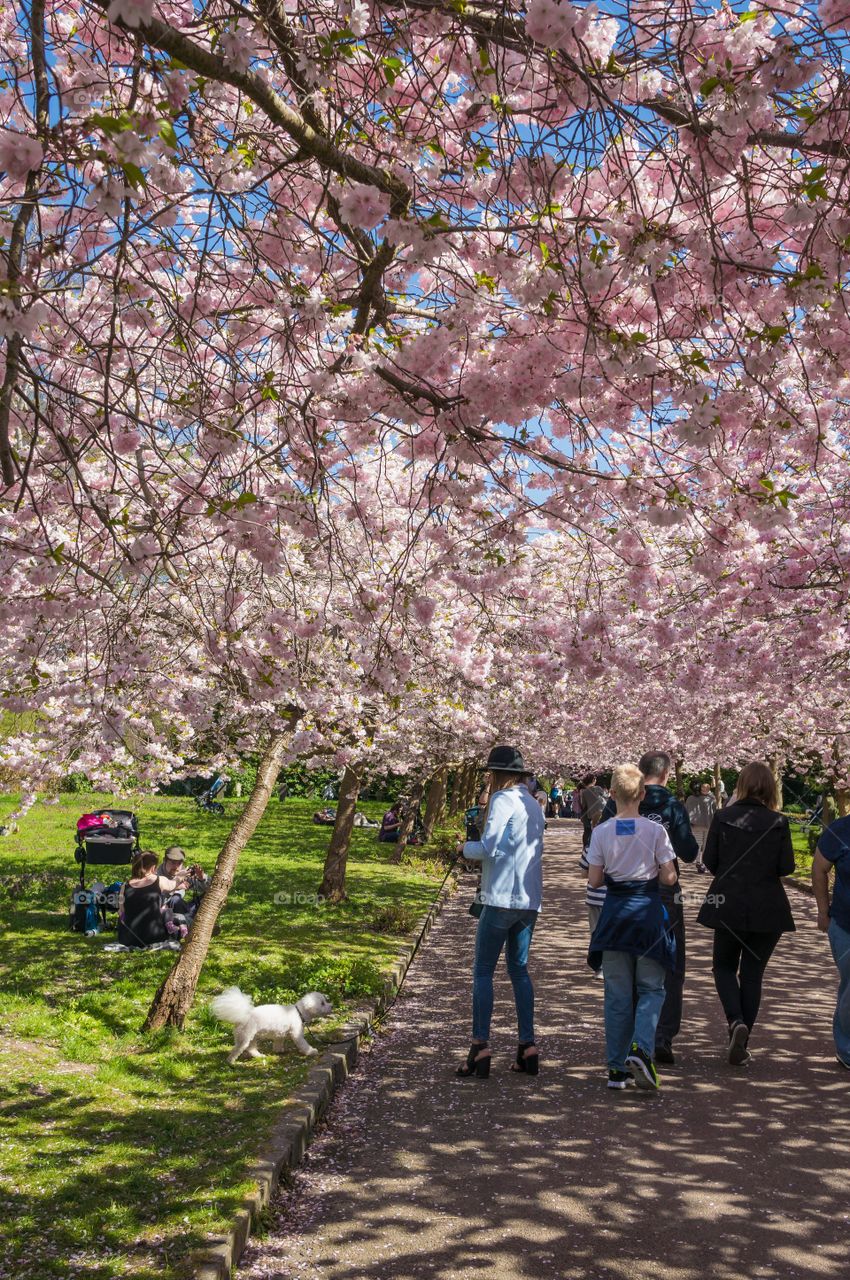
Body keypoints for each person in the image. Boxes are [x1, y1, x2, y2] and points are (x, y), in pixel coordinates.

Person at [598, 751, 698, 1064]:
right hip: (661, 898)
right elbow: (689, 852)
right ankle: (660, 1037)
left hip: (619, 900)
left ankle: (627, 1046)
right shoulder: (672, 807)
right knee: (668, 966)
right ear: (666, 774)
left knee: (623, 974)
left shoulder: (612, 810)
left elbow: (596, 861)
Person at [697, 761, 795, 1065]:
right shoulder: (779, 821)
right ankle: (742, 1035)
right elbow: (787, 867)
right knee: (753, 975)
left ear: (741, 784)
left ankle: (735, 1020)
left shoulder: (723, 817)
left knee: (723, 967)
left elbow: (710, 861)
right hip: (768, 907)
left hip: (728, 903)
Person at [587, 764, 678, 1090]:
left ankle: (616, 1069)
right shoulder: (656, 832)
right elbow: (670, 877)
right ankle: (641, 1048)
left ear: (611, 793)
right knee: (652, 989)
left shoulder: (601, 832)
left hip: (614, 917)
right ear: (642, 794)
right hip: (648, 916)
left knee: (617, 995)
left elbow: (595, 880)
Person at [457, 744, 545, 1079]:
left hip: (499, 898)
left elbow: (489, 847)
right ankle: (527, 1045)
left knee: (482, 971)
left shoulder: (502, 799)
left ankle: (480, 1045)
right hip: (529, 900)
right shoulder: (533, 805)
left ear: (496, 775)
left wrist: (463, 848)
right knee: (519, 971)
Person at [812, 811, 850, 1069]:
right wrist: (823, 910)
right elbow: (819, 868)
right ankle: (847, 1048)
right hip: (845, 925)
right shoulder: (842, 829)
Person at [117, 851, 181, 948]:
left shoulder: (124, 886)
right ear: (153, 867)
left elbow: (121, 912)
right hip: (154, 937)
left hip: (127, 939)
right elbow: (173, 885)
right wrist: (181, 876)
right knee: (179, 918)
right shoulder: (159, 880)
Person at [158, 846, 209, 921]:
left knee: (208, 896)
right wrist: (175, 886)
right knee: (175, 900)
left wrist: (202, 878)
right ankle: (191, 923)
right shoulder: (156, 875)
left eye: (179, 863)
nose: (176, 867)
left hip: (182, 910)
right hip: (165, 913)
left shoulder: (183, 873)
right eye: (173, 862)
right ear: (164, 860)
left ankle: (196, 922)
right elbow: (156, 901)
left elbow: (208, 888)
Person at [685, 782, 717, 874]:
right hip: (708, 824)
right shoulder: (710, 799)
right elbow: (715, 811)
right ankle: (703, 863)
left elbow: (686, 811)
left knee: (698, 844)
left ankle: (699, 862)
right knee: (706, 845)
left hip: (695, 825)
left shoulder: (690, 798)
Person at [578, 772, 606, 851]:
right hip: (601, 812)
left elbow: (583, 805)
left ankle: (586, 847)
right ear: (593, 780)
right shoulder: (599, 788)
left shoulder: (584, 792)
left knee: (587, 831)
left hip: (590, 814)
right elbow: (606, 797)